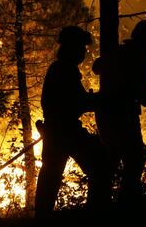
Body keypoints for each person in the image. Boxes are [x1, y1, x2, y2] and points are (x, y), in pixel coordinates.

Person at [35, 26, 109, 219]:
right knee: (100, 165)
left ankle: (41, 217)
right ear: (72, 48)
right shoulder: (65, 70)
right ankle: (96, 214)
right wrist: (102, 99)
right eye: (81, 48)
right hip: (65, 131)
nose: (84, 52)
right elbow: (78, 102)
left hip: (56, 131)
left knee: (50, 175)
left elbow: (74, 101)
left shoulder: (60, 69)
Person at [93, 19, 146, 207]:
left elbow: (96, 67)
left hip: (105, 114)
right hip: (124, 116)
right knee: (134, 161)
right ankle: (127, 205)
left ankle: (98, 206)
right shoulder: (144, 63)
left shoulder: (117, 53)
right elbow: (144, 97)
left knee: (109, 162)